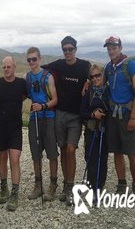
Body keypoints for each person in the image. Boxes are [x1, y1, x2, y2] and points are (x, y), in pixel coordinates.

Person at [42, 36, 91, 205]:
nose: (68, 52)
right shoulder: (58, 65)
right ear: (62, 50)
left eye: (70, 49)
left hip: (76, 116)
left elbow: (97, 76)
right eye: (65, 49)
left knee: (71, 149)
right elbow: (40, 70)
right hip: (60, 114)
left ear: (75, 49)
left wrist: (89, 81)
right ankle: (65, 185)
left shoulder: (84, 66)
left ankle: (70, 186)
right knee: (63, 149)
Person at [103, 36, 135, 198]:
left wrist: (133, 117)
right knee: (117, 151)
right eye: (109, 48)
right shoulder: (109, 67)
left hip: (128, 115)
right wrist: (87, 83)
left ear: (120, 47)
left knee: (132, 152)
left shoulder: (130, 65)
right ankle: (121, 183)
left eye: (114, 47)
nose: (111, 51)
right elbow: (100, 84)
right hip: (113, 115)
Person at [24, 47, 59, 202]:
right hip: (34, 119)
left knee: (52, 153)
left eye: (34, 59)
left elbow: (55, 99)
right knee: (35, 153)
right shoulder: (28, 77)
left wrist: (43, 106)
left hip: (48, 117)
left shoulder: (48, 76)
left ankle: (52, 185)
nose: (32, 62)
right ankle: (38, 185)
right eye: (29, 59)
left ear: (40, 59)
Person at [0, 56, 27, 211]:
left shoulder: (21, 83)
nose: (6, 69)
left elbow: (27, 94)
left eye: (9, 66)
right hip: (0, 126)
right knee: (2, 157)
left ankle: (14, 192)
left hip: (15, 127)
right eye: (4, 67)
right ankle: (3, 187)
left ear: (14, 67)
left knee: (15, 159)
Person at [80, 64, 109, 194]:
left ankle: (99, 185)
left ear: (103, 75)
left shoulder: (109, 91)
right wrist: (93, 115)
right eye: (92, 76)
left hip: (105, 129)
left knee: (102, 157)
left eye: (98, 75)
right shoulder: (88, 92)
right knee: (90, 156)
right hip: (91, 129)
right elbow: (82, 112)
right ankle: (92, 184)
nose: (95, 78)